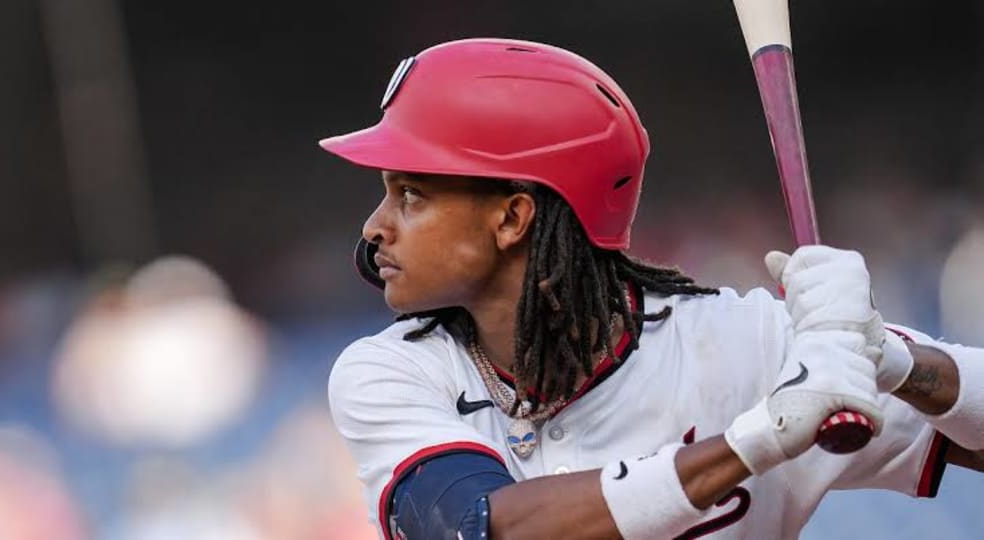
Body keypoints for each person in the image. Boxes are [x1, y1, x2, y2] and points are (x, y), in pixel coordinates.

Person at [320, 38, 984, 540]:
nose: (376, 227)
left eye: (411, 195)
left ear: (513, 218)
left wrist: (892, 361)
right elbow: (479, 526)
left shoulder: (745, 344)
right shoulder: (391, 371)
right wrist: (760, 438)